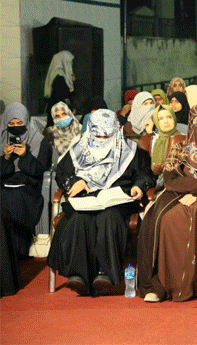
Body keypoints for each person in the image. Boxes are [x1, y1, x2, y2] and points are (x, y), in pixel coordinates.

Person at [48, 109, 153, 295]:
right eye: (97, 134)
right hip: (85, 198)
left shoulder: (130, 150)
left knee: (109, 217)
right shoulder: (79, 150)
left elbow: (145, 174)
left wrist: (138, 186)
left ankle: (104, 273)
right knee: (79, 219)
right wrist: (74, 182)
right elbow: (62, 173)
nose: (102, 138)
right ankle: (78, 275)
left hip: (117, 199)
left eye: (107, 134)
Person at [136, 105, 197, 302]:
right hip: (176, 193)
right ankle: (159, 286)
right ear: (190, 124)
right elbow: (170, 179)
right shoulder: (179, 148)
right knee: (162, 219)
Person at [2, 103, 52, 267]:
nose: (16, 128)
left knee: (14, 199)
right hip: (4, 185)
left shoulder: (39, 141)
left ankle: (17, 251)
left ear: (26, 121)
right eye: (11, 124)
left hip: (28, 187)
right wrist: (6, 158)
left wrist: (25, 156)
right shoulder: (1, 138)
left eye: (19, 124)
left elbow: (40, 170)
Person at [150, 106, 180, 186]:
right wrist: (155, 169)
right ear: (156, 122)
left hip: (178, 181)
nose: (166, 121)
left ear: (174, 118)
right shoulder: (154, 141)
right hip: (157, 181)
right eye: (161, 119)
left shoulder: (183, 138)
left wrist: (168, 168)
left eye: (169, 117)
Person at [44, 50, 75, 128]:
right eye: (69, 62)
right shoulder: (60, 78)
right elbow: (62, 98)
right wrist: (71, 108)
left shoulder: (58, 75)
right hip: (59, 119)